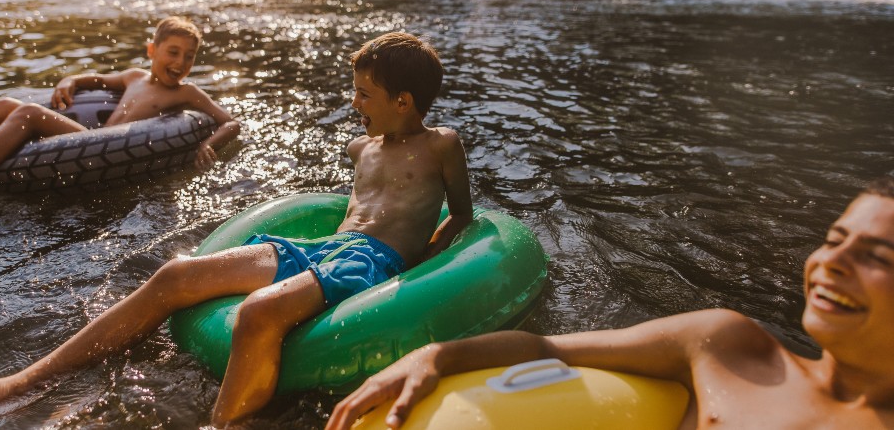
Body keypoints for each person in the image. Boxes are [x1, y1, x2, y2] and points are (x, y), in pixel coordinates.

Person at [0, 31, 474, 427]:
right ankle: (12, 385)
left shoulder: (442, 145)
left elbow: (464, 218)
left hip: (372, 261)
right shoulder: (362, 147)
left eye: (364, 94)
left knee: (258, 314)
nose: (354, 104)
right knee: (175, 273)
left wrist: (423, 260)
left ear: (403, 101)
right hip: (327, 247)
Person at [327, 176, 894, 430]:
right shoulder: (729, 344)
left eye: (878, 256)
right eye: (834, 238)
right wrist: (437, 357)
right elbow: (549, 348)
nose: (832, 262)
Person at [0, 16, 241, 224]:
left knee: (28, 113)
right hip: (90, 137)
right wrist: (69, 81)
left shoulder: (186, 92)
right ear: (153, 50)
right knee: (5, 104)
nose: (180, 63)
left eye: (189, 56)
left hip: (107, 143)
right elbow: (97, 81)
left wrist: (210, 143)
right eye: (173, 52)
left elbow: (229, 122)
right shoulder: (134, 76)